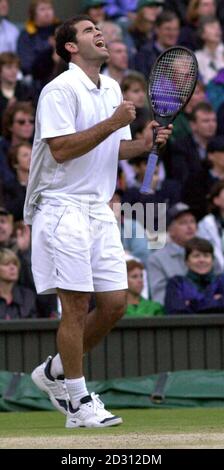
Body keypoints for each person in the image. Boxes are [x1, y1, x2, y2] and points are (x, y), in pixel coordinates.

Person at [24, 14, 172, 428]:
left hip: (100, 208)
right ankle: (77, 402)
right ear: (71, 46)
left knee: (114, 305)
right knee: (75, 306)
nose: (100, 34)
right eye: (89, 30)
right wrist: (113, 123)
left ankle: (54, 372)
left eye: (100, 29)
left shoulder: (110, 87)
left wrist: (143, 143)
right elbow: (61, 150)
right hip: (60, 205)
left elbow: (113, 149)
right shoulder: (59, 90)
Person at [165, 237, 224, 315]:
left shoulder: (221, 281)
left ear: (212, 260)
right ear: (187, 261)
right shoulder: (176, 283)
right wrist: (214, 301)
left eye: (206, 256)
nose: (202, 260)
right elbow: (176, 311)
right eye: (196, 256)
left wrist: (192, 304)